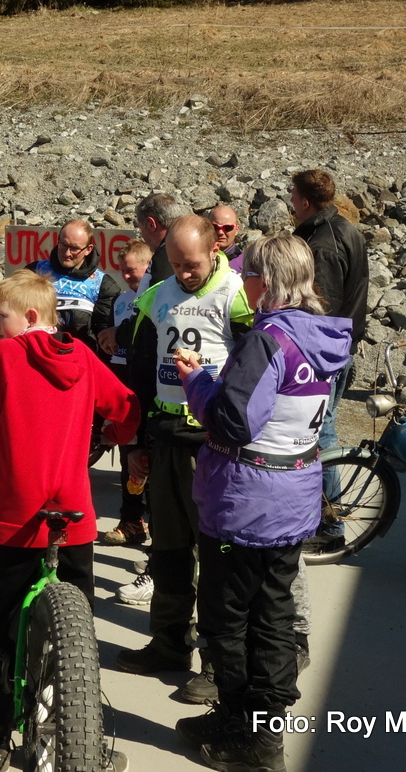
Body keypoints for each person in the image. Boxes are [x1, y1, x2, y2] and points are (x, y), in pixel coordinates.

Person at [0, 270, 139, 772]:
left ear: (28, 317)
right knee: (78, 634)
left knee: (0, 633)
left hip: (12, 514)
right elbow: (128, 407)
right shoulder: (85, 358)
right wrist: (112, 437)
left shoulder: (4, 356)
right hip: (73, 515)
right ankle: (79, 720)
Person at [172, 233, 351, 772]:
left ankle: (240, 729)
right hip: (293, 497)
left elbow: (234, 420)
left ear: (266, 282)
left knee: (228, 619)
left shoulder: (267, 338)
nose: (243, 284)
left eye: (248, 275)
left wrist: (198, 381)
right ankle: (264, 731)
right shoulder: (323, 335)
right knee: (273, 617)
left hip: (245, 502)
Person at [117, 216, 253, 706]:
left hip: (214, 445)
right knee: (169, 549)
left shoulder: (236, 293)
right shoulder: (154, 296)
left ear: (214, 249)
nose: (184, 274)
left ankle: (218, 665)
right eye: (174, 264)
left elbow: (256, 366)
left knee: (217, 558)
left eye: (191, 265)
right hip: (167, 439)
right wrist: (136, 442)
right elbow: (138, 375)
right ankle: (169, 643)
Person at [289, 168, 369, 557]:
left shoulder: (322, 243)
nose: (289, 200)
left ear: (305, 201)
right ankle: (323, 517)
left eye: (292, 194)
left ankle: (332, 524)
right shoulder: (344, 227)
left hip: (324, 352)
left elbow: (322, 307)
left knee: (323, 437)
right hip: (340, 346)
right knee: (325, 434)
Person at [100, 240, 153, 548]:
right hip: (121, 381)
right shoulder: (120, 300)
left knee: (145, 455)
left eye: (132, 271)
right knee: (126, 453)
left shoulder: (155, 298)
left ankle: (148, 518)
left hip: (145, 381)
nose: (128, 277)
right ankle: (131, 520)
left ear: (148, 268)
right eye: (122, 271)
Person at [32, 219, 124, 352]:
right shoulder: (35, 271)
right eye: (63, 244)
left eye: (74, 248)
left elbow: (103, 336)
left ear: (88, 249)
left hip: (78, 359)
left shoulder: (102, 284)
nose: (67, 253)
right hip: (38, 353)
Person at [134, 192, 188, 289]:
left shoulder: (165, 257)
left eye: (141, 229)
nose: (142, 236)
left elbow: (158, 299)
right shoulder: (196, 244)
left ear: (151, 224)